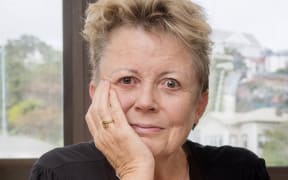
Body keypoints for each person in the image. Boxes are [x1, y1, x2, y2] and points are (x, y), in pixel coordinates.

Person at [29, 0, 270, 179]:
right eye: (126, 80)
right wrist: (135, 171)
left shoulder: (241, 171)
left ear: (200, 106)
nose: (146, 102)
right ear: (96, 96)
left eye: (170, 83)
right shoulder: (57, 174)